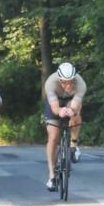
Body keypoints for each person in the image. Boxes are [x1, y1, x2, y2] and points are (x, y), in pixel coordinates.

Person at [43, 62, 86, 191]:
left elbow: (76, 103)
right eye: (64, 82)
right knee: (53, 136)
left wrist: (71, 110)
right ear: (59, 79)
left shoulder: (81, 84)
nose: (68, 85)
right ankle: (52, 176)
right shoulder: (51, 83)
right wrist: (60, 111)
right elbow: (55, 108)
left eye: (71, 81)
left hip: (71, 100)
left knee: (76, 115)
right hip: (55, 101)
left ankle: (73, 144)